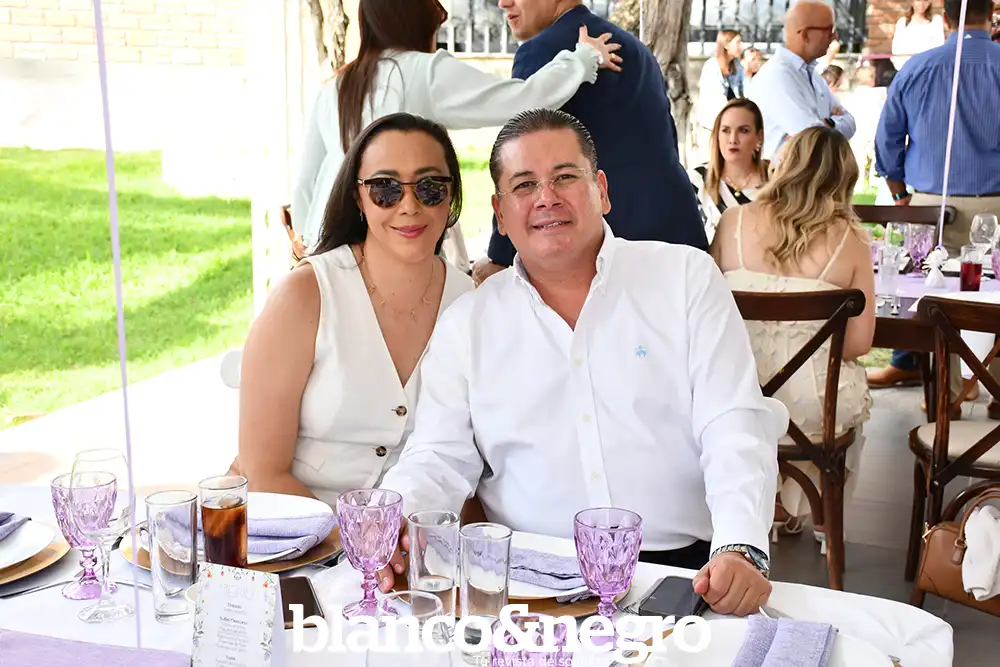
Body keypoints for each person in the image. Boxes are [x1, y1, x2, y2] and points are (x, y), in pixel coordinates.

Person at [378, 109, 788, 617]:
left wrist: (740, 545)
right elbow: (438, 455)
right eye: (524, 185)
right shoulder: (469, 323)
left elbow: (733, 423)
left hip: (684, 577)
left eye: (565, 177)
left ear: (602, 190)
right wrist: (395, 515)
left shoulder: (684, 278)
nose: (546, 197)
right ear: (500, 214)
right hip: (529, 587)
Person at [234, 113, 474, 506]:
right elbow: (263, 472)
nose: (409, 205)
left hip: (418, 534)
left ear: (451, 196)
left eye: (430, 187)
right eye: (385, 188)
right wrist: (355, 540)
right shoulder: (306, 294)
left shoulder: (468, 302)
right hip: (300, 530)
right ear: (358, 198)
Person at [292, 0, 623, 269]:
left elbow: (306, 182)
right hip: (404, 245)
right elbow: (522, 100)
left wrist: (308, 248)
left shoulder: (336, 86)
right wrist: (582, 59)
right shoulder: (424, 72)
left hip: (331, 249)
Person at [711, 126, 875, 541]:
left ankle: (772, 505)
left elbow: (707, 316)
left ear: (784, 164)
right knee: (843, 396)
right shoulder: (852, 240)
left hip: (737, 395)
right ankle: (822, 516)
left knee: (773, 402)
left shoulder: (733, 222)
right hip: (814, 409)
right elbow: (859, 344)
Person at [472, 0, 707, 285]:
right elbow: (664, 142)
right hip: (678, 236)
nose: (502, 2)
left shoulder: (543, 50)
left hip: (606, 259)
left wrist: (500, 256)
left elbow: (520, 158)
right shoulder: (637, 49)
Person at [870, 0, 1000, 420]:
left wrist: (898, 191)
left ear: (946, 18)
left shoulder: (918, 68)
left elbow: (888, 137)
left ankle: (945, 392)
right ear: (991, 14)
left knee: (932, 299)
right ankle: (997, 390)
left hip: (931, 205)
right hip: (996, 203)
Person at [747, 0, 856, 161]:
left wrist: (829, 124)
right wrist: (828, 124)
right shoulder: (777, 76)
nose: (835, 36)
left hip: (811, 174)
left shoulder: (812, 75)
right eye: (829, 30)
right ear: (805, 35)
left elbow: (850, 123)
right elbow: (811, 136)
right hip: (784, 176)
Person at [688, 98, 769, 243]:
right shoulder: (697, 180)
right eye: (726, 130)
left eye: (743, 131)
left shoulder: (776, 179)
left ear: (759, 136)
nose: (733, 139)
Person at [694, 30, 746, 161]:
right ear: (726, 45)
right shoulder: (712, 66)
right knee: (713, 162)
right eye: (738, 42)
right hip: (713, 125)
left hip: (731, 124)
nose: (741, 46)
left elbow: (744, 91)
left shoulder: (737, 66)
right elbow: (716, 100)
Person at [890, 0, 945, 71]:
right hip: (908, 69)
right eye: (918, 0)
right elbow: (896, 50)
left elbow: (939, 47)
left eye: (925, 0)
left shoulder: (936, 20)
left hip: (930, 68)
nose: (921, 4)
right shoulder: (902, 22)